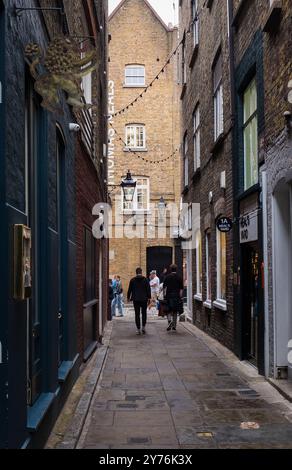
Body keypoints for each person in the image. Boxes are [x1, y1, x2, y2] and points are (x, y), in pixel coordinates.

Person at [127, 267, 151, 335]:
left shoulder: (132, 280)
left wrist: (128, 298)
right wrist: (149, 297)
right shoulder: (146, 280)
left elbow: (129, 290)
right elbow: (148, 289)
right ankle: (143, 327)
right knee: (144, 313)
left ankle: (138, 329)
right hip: (144, 299)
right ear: (141, 272)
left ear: (136, 272)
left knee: (137, 314)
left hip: (136, 299)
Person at [163, 264, 184, 332]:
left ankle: (169, 322)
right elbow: (181, 289)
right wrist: (180, 296)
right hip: (176, 296)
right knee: (175, 311)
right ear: (176, 269)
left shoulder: (167, 277)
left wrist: (164, 295)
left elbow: (164, 287)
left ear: (170, 269)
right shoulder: (179, 277)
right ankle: (174, 325)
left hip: (169, 295)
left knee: (168, 310)